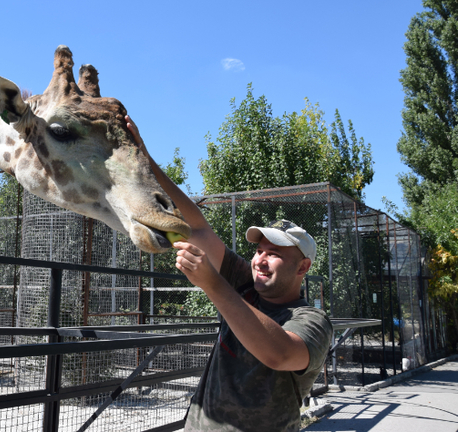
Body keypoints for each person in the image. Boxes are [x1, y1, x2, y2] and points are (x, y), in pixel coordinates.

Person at [126, 115, 333, 432]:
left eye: (274, 254)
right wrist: (146, 160)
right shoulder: (244, 281)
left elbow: (279, 354)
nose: (260, 260)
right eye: (259, 250)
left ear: (303, 267)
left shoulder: (312, 320)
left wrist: (212, 283)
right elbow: (196, 227)